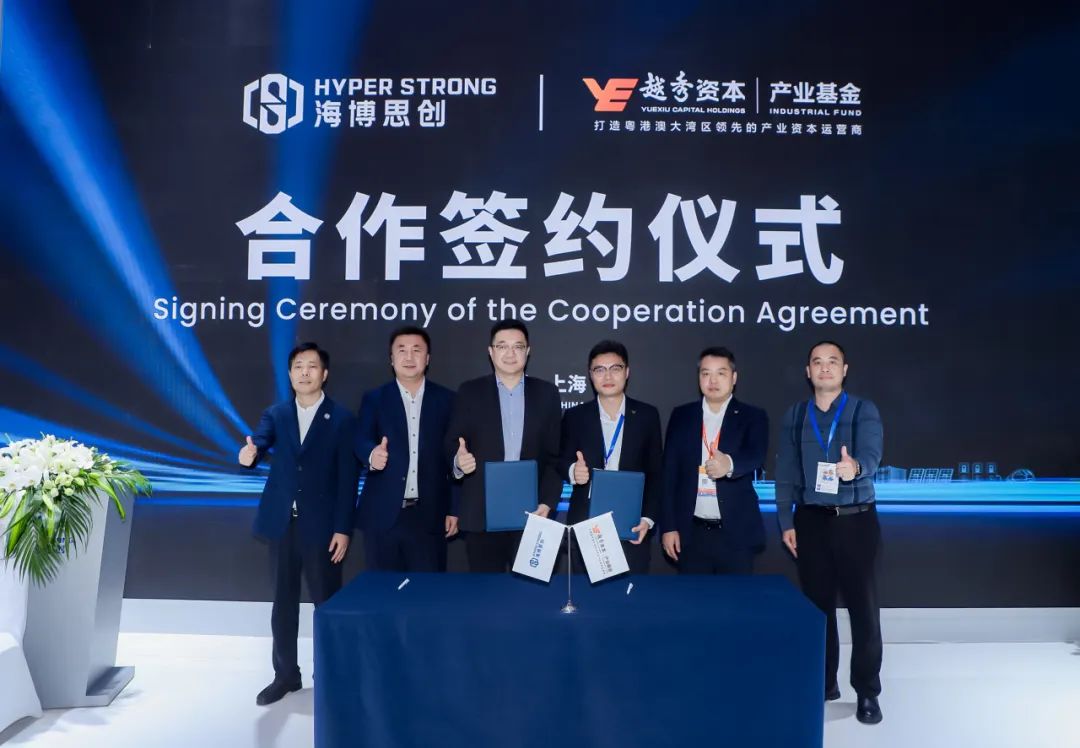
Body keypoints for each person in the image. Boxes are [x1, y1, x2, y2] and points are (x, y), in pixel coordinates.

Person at [238, 342, 358, 706]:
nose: (305, 372)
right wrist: (250, 453)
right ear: (290, 375)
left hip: (322, 528)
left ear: (325, 374)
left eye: (312, 366)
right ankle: (286, 675)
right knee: (283, 604)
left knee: (326, 604)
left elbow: (348, 479)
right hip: (282, 525)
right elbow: (259, 442)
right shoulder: (276, 414)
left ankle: (330, 677)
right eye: (298, 366)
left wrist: (343, 528)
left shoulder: (341, 418)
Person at [775, 340, 884, 725]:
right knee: (818, 608)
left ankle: (867, 692)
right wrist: (786, 521)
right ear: (808, 372)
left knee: (863, 610)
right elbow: (785, 472)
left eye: (832, 362)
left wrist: (856, 468)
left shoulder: (863, 410)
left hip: (856, 519)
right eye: (817, 362)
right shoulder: (795, 415)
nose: (824, 368)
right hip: (811, 521)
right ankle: (823, 684)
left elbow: (872, 454)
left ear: (844, 369)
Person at [445, 319, 562, 572]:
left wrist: (547, 502)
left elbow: (555, 455)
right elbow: (452, 444)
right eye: (502, 346)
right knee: (486, 592)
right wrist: (458, 462)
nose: (510, 353)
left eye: (518, 346)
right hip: (482, 514)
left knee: (530, 591)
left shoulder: (547, 394)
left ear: (528, 351)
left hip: (533, 513)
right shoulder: (469, 392)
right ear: (491, 351)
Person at [355, 326, 457, 572]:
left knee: (427, 591)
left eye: (416, 350)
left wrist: (454, 508)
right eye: (402, 350)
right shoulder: (374, 398)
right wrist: (372, 454)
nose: (409, 357)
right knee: (383, 590)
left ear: (427, 358)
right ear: (391, 359)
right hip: (383, 514)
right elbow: (360, 439)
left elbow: (455, 457)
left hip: (430, 515)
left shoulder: (447, 400)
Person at [660, 346, 767, 574]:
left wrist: (729, 464)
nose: (713, 380)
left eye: (721, 373)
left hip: (736, 534)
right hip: (691, 532)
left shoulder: (752, 416)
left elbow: (756, 455)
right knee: (693, 596)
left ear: (734, 378)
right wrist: (668, 527)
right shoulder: (682, 415)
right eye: (706, 373)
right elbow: (669, 474)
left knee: (736, 596)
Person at [559, 340, 662, 575]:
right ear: (590, 375)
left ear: (627, 372)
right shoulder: (575, 416)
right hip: (586, 522)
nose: (607, 376)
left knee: (629, 594)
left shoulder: (647, 415)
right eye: (599, 369)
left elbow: (656, 472)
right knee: (586, 594)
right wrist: (573, 471)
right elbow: (560, 460)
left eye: (615, 368)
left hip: (632, 522)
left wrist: (647, 519)